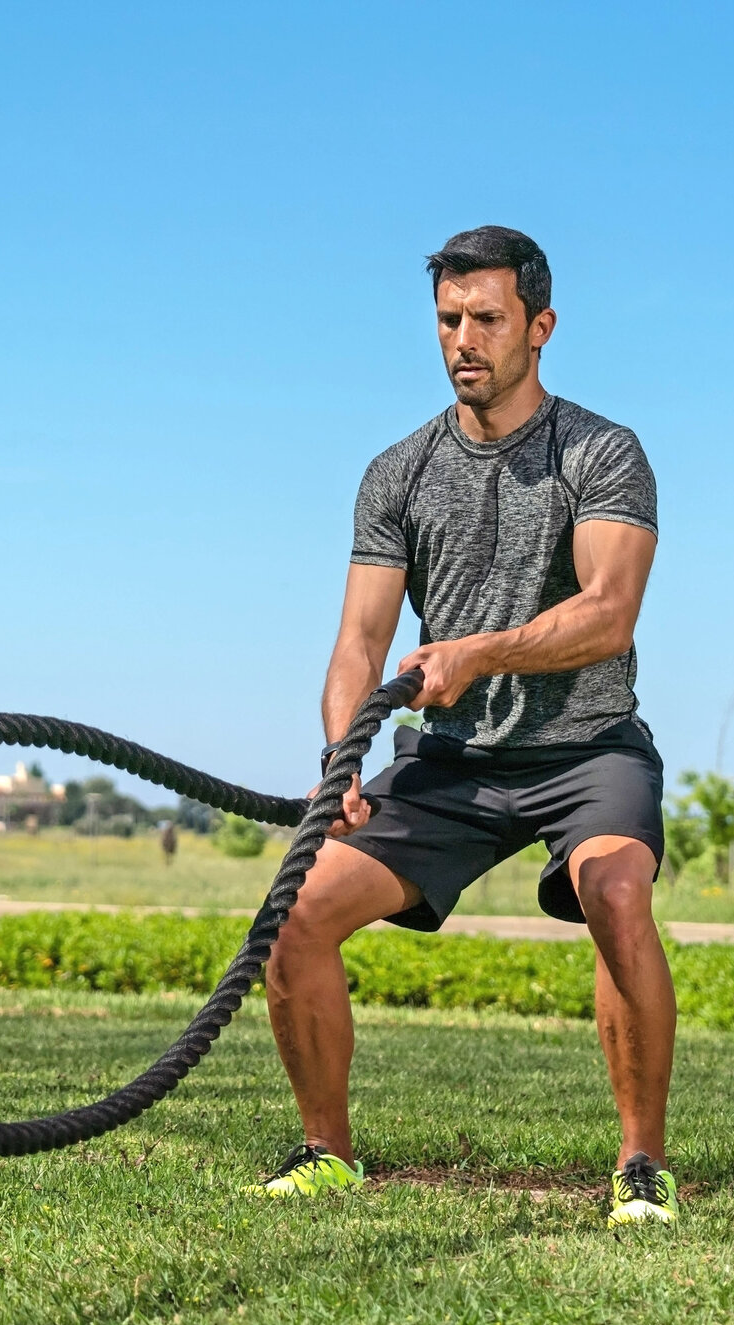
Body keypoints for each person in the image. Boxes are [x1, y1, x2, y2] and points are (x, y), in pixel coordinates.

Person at [247, 226, 676, 1226]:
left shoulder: (602, 452)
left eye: (487, 318)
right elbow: (359, 638)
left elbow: (610, 610)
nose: (464, 339)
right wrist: (340, 754)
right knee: (297, 912)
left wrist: (478, 651)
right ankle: (327, 1153)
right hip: (448, 762)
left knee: (615, 888)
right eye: (449, 319)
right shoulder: (398, 471)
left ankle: (641, 1165)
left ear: (541, 326)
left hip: (588, 748)